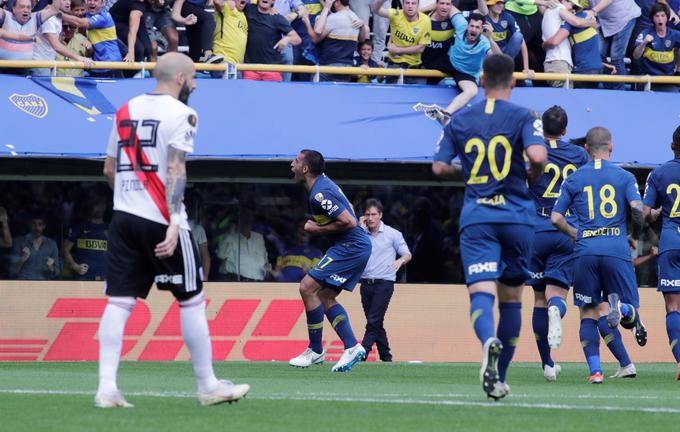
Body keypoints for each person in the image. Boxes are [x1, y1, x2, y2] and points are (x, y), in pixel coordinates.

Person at [98, 52, 249, 408]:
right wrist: (173, 221)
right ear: (180, 77)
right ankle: (208, 384)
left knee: (118, 303)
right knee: (192, 300)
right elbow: (176, 170)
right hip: (161, 218)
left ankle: (106, 388)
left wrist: (128, 199)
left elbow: (107, 169)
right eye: (194, 78)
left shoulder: (124, 110)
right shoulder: (184, 114)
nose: (195, 84)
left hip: (122, 216)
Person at [432, 54, 548, 399]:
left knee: (480, 292)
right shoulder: (525, 116)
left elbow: (439, 169)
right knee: (512, 297)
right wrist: (532, 175)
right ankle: (499, 376)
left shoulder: (459, 119)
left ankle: (488, 341)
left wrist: (465, 173)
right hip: (517, 217)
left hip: (479, 217)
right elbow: (539, 157)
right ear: (513, 82)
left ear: (481, 81)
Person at [551, 126, 647, 385]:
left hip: (585, 251)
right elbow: (638, 210)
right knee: (626, 314)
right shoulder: (624, 176)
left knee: (589, 313)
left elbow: (556, 217)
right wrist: (635, 238)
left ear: (586, 149)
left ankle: (597, 371)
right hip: (616, 248)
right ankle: (623, 308)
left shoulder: (574, 178)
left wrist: (576, 233)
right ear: (611, 147)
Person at [288, 150, 372, 372]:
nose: (292, 164)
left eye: (296, 161)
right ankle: (351, 346)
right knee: (324, 296)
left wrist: (316, 228)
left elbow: (349, 222)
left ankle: (316, 351)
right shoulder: (322, 186)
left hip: (351, 247)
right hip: (351, 246)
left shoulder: (319, 193)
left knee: (307, 287)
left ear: (305, 169)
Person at [527, 105, 589, 381]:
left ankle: (548, 364)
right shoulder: (579, 154)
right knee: (557, 296)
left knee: (538, 298)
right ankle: (557, 310)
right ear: (565, 130)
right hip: (566, 227)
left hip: (535, 228)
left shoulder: (533, 150)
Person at [415, 3, 503, 125]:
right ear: (467, 25)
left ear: (482, 29)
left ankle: (445, 114)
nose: (473, 29)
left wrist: (490, 38)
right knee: (426, 58)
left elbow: (499, 59)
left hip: (466, 72)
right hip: (449, 62)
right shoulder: (461, 25)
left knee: (472, 91)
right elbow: (447, 6)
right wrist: (418, 11)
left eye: (477, 27)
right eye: (471, 26)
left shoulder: (484, 42)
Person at [642, 125, 680, 380]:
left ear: (672, 146)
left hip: (672, 240)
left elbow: (644, 213)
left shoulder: (659, 173)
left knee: (673, 307)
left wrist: (656, 213)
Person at [358, 198, 411, 362]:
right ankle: (386, 357)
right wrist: (359, 229)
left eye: (374, 214)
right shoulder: (361, 233)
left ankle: (361, 354)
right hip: (365, 283)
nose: (370, 218)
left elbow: (407, 254)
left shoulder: (392, 234)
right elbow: (353, 249)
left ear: (380, 215)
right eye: (367, 214)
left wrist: (399, 261)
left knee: (373, 320)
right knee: (375, 322)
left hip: (384, 283)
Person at [542, 0, 616, 89]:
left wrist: (543, 45)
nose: (571, 8)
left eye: (573, 6)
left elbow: (555, 41)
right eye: (570, 4)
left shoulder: (569, 22)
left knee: (567, 100)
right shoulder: (587, 20)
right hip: (596, 68)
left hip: (583, 70)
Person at [302, 0, 369, 82]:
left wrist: (307, 22)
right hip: (347, 67)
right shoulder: (356, 18)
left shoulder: (334, 18)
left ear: (338, 2)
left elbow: (317, 33)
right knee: (340, 94)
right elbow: (362, 39)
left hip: (329, 66)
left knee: (320, 93)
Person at [371, 0, 432, 84]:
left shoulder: (426, 20)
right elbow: (375, 9)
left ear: (418, 6)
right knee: (392, 95)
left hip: (414, 67)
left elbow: (421, 48)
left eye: (413, 3)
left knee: (414, 96)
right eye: (407, 3)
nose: (410, 6)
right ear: (402, 5)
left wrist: (398, 50)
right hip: (394, 64)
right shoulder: (396, 14)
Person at [61, 0, 124, 78]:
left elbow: (80, 23)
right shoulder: (89, 14)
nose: (92, 2)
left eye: (96, 0)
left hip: (111, 65)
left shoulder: (103, 16)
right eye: (90, 0)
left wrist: (59, 14)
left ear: (102, 3)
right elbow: (77, 15)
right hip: (97, 65)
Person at [243, 0, 301, 82]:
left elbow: (297, 39)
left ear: (273, 1)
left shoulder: (277, 18)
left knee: (274, 95)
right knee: (248, 94)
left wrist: (287, 38)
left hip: (271, 70)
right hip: (251, 69)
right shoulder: (248, 9)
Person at [31, 0, 94, 76]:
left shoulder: (57, 16)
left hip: (48, 63)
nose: (68, 2)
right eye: (64, 0)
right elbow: (56, 46)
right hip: (40, 64)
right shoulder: (49, 18)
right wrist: (79, 58)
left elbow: (81, 22)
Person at [590, 0, 641, 90]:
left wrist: (593, 11)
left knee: (616, 56)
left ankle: (619, 92)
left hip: (624, 17)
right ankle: (607, 89)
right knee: (598, 55)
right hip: (602, 21)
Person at [0, 0, 61, 74]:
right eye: (22, 7)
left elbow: (54, 10)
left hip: (24, 70)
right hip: (2, 69)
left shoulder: (35, 18)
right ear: (14, 9)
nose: (25, 10)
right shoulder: (5, 15)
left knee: (43, 71)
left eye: (28, 7)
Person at [633, 3, 680, 92]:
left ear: (667, 18)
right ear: (653, 19)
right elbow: (635, 56)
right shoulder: (645, 33)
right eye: (657, 16)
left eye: (663, 16)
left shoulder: (675, 35)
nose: (660, 19)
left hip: (668, 81)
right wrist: (643, 43)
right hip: (648, 80)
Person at [215, 209, 268, 281]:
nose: (246, 224)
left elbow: (265, 259)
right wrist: (229, 235)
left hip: (258, 283)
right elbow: (220, 255)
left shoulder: (259, 237)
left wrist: (267, 269)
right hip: (235, 282)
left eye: (248, 221)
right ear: (237, 224)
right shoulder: (230, 237)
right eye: (243, 221)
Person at [484, 0, 533, 77]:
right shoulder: (483, 17)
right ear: (489, 4)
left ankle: (504, 67)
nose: (501, 5)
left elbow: (521, 41)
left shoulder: (507, 16)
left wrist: (526, 67)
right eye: (497, 3)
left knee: (518, 36)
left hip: (504, 54)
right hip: (488, 53)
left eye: (502, 3)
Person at [63, 200, 108, 281]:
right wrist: (76, 267)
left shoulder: (110, 229)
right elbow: (65, 250)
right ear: (91, 207)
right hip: (84, 278)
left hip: (105, 278)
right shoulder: (79, 228)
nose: (99, 208)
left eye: (101, 205)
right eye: (96, 205)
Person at [10, 213, 60, 280]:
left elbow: (57, 272)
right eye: (34, 224)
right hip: (24, 282)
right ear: (29, 225)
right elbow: (12, 271)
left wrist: (51, 268)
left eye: (40, 224)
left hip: (44, 283)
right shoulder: (19, 242)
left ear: (44, 226)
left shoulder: (52, 244)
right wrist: (22, 260)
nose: (37, 227)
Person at [212, 0, 248, 72]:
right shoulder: (228, 8)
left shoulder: (244, 16)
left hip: (237, 67)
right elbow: (217, 2)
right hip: (223, 61)